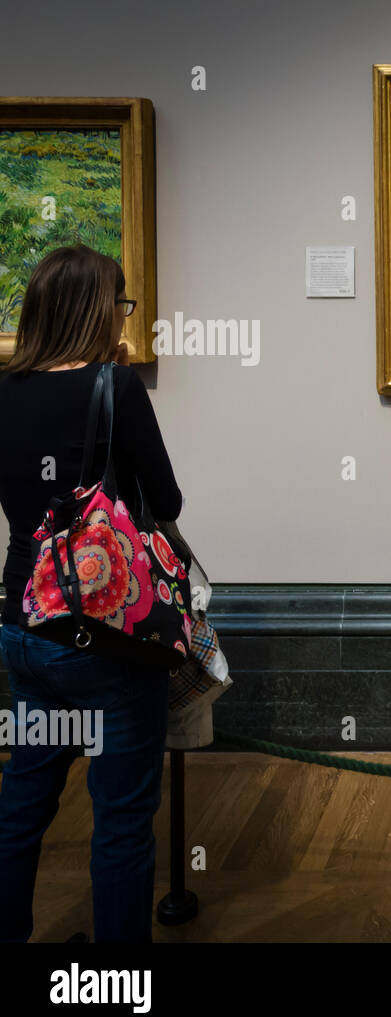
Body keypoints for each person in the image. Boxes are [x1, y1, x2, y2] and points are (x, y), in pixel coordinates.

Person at [0, 244, 183, 942]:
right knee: (123, 816)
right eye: (120, 300)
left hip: (21, 623)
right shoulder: (114, 385)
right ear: (96, 309)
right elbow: (164, 499)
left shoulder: (5, 388)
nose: (123, 313)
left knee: (22, 799)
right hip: (102, 632)